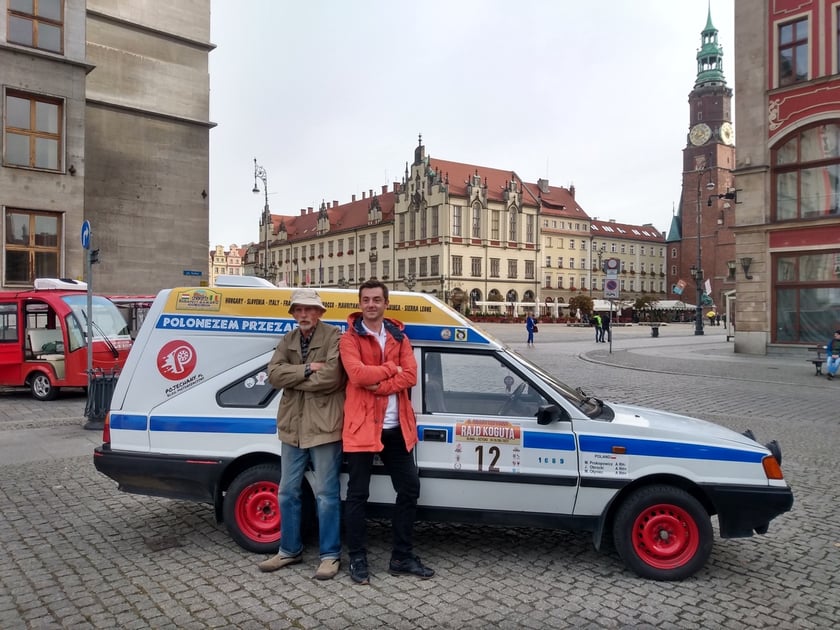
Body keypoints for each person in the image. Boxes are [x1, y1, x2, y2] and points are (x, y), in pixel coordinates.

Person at [339, 280, 434, 585]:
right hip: (361, 427)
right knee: (357, 495)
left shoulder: (398, 337)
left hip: (396, 428)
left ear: (385, 303)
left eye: (377, 299)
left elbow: (411, 376)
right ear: (360, 303)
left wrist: (381, 383)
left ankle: (401, 557)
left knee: (409, 489)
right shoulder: (349, 338)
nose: (371, 304)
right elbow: (356, 374)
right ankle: (357, 558)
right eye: (366, 299)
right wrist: (390, 369)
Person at [258, 288, 346, 580]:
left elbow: (332, 378)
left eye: (309, 309)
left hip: (323, 427)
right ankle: (289, 550)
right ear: (294, 313)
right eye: (299, 310)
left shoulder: (334, 336)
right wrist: (308, 368)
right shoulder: (289, 338)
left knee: (326, 495)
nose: (304, 315)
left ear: (320, 313)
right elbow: (273, 375)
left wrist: (293, 377)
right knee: (286, 491)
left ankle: (330, 555)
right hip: (292, 428)